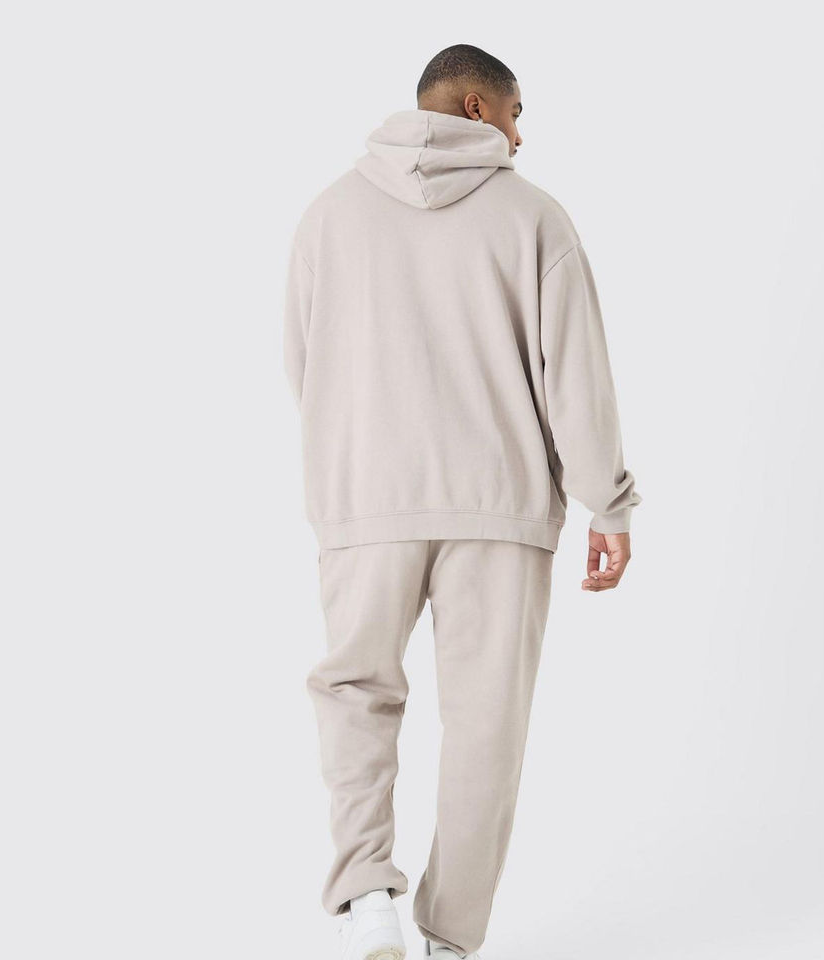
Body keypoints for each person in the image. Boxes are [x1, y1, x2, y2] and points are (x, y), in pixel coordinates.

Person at [283, 43, 642, 960]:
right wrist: (607, 503)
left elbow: (305, 367)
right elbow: (577, 379)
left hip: (366, 503)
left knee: (355, 694)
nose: (521, 139)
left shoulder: (328, 216)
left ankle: (369, 899)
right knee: (487, 724)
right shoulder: (534, 218)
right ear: (479, 107)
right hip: (501, 506)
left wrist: (352, 468)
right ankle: (449, 940)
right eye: (517, 116)